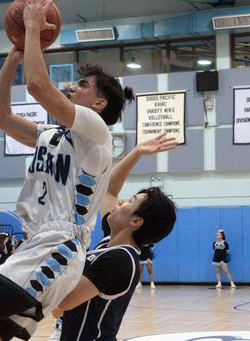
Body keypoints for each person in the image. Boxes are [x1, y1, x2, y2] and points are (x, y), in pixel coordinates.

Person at [0, 0, 136, 337]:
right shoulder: (53, 135)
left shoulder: (97, 133)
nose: (71, 87)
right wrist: (15, 53)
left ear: (98, 103)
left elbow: (38, 86)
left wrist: (31, 30)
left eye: (82, 85)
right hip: (36, 243)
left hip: (59, 245)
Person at [50, 132, 178, 341]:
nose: (120, 202)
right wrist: (136, 153)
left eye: (130, 200)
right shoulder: (110, 243)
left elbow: (62, 303)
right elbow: (109, 191)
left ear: (135, 222)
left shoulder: (120, 259)